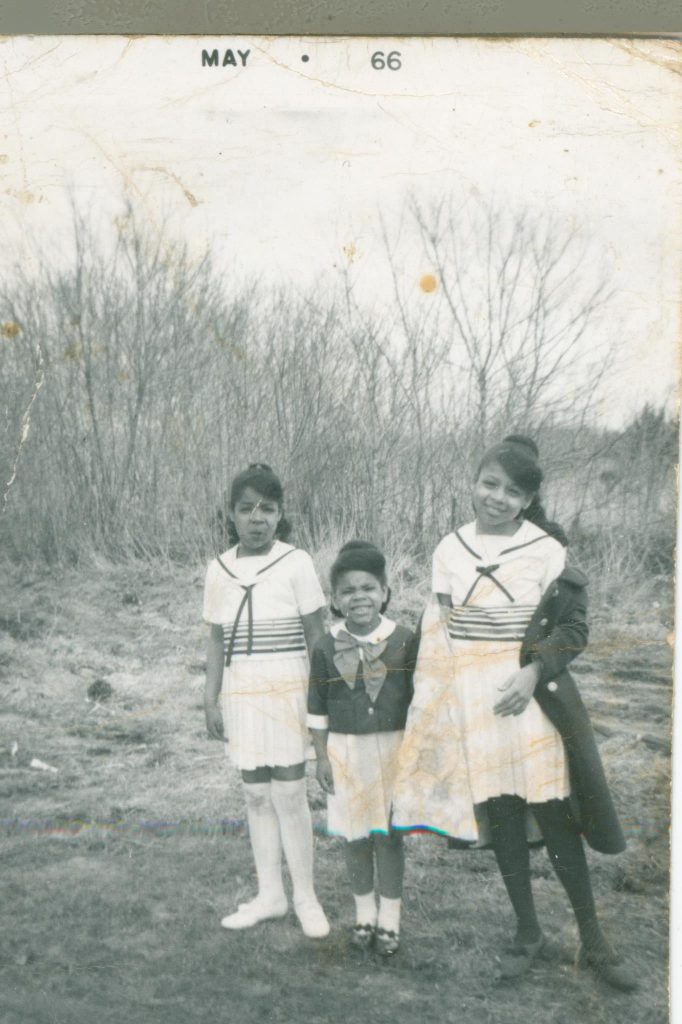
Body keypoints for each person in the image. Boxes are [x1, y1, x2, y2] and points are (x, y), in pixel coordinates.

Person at [392, 435, 637, 990]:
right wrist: (438, 707)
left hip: (531, 701)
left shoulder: (547, 550)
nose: (498, 498)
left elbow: (574, 629)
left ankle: (593, 938)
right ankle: (528, 932)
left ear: (528, 500)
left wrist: (533, 673)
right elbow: (442, 633)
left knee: (552, 813)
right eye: (489, 484)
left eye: (513, 491)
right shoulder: (447, 549)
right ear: (473, 483)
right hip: (475, 705)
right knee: (500, 812)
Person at [203, 463, 329, 938]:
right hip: (242, 689)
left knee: (291, 793)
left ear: (280, 515)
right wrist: (210, 697)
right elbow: (216, 640)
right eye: (246, 509)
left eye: (267, 509)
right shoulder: (218, 568)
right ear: (230, 515)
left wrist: (322, 695)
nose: (257, 519)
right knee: (255, 794)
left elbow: (318, 635)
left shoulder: (296, 562)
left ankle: (306, 897)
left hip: (289, 686)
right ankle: (270, 895)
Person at [307, 541, 415, 957]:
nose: (359, 597)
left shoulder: (404, 640)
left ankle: (390, 918)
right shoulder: (325, 647)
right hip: (345, 754)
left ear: (385, 592)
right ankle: (363, 914)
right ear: (335, 599)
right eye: (348, 591)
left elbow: (419, 702)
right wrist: (320, 757)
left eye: (369, 588)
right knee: (355, 835)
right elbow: (316, 708)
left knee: (387, 835)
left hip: (392, 751)